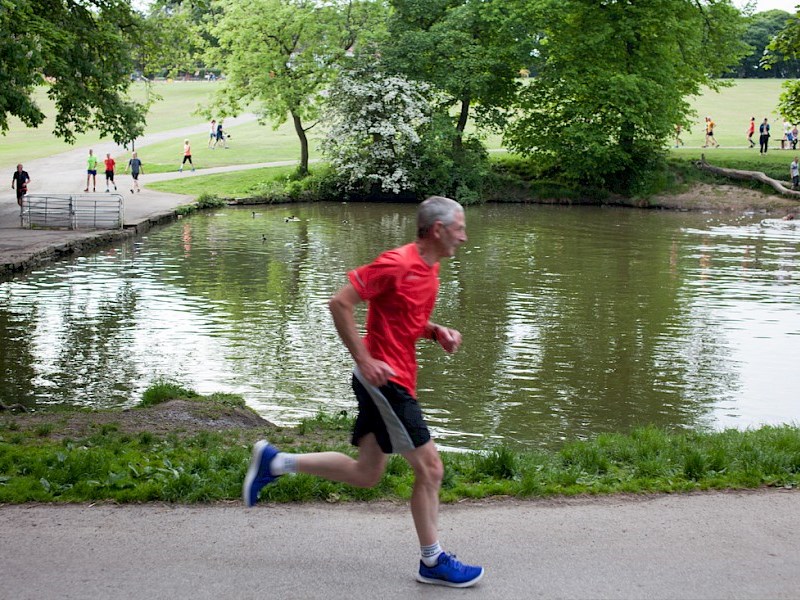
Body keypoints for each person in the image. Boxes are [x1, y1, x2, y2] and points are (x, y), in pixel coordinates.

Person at [242, 196, 484, 589]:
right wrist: (366, 358)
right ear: (438, 230)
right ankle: (433, 560)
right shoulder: (396, 263)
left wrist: (435, 331)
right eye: (460, 228)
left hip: (395, 378)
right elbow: (340, 303)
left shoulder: (430, 268)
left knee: (367, 472)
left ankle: (275, 463)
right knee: (431, 469)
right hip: (385, 382)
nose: (465, 237)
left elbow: (407, 318)